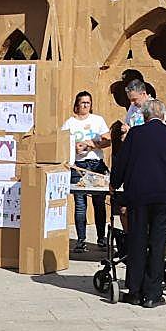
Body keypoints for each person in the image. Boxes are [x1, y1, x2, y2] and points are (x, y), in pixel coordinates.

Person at [109, 99, 166, 307]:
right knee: (158, 242)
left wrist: (114, 183)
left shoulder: (135, 134)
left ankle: (135, 290)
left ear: (145, 116)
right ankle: (153, 294)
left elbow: (121, 162)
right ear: (163, 115)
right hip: (163, 196)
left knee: (137, 240)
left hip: (138, 195)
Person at [62, 90, 113, 250]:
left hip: (95, 164)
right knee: (80, 204)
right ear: (77, 104)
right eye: (83, 102)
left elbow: (107, 141)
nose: (85, 105)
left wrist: (92, 144)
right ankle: (81, 239)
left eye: (88, 103)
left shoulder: (97, 120)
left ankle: (101, 237)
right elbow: (62, 142)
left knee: (99, 202)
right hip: (78, 165)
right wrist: (74, 147)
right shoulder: (69, 123)